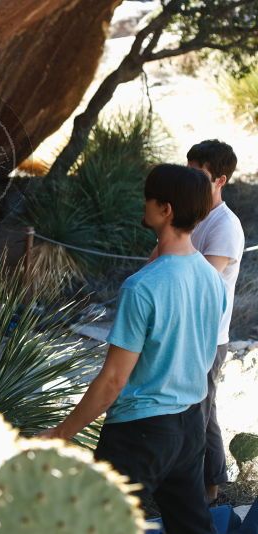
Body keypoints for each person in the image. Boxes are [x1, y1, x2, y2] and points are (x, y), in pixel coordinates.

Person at [40, 164, 227, 534]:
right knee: (193, 526)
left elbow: (113, 381)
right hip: (190, 423)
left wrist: (62, 432)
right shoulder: (212, 278)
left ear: (166, 209)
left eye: (149, 199)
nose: (144, 205)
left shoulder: (141, 287)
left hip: (140, 432)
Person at [186, 140, 244, 503]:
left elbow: (202, 279)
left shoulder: (226, 226)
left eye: (197, 175)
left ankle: (211, 490)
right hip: (184, 331)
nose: (188, 180)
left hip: (208, 335)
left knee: (203, 412)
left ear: (220, 180)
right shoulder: (191, 214)